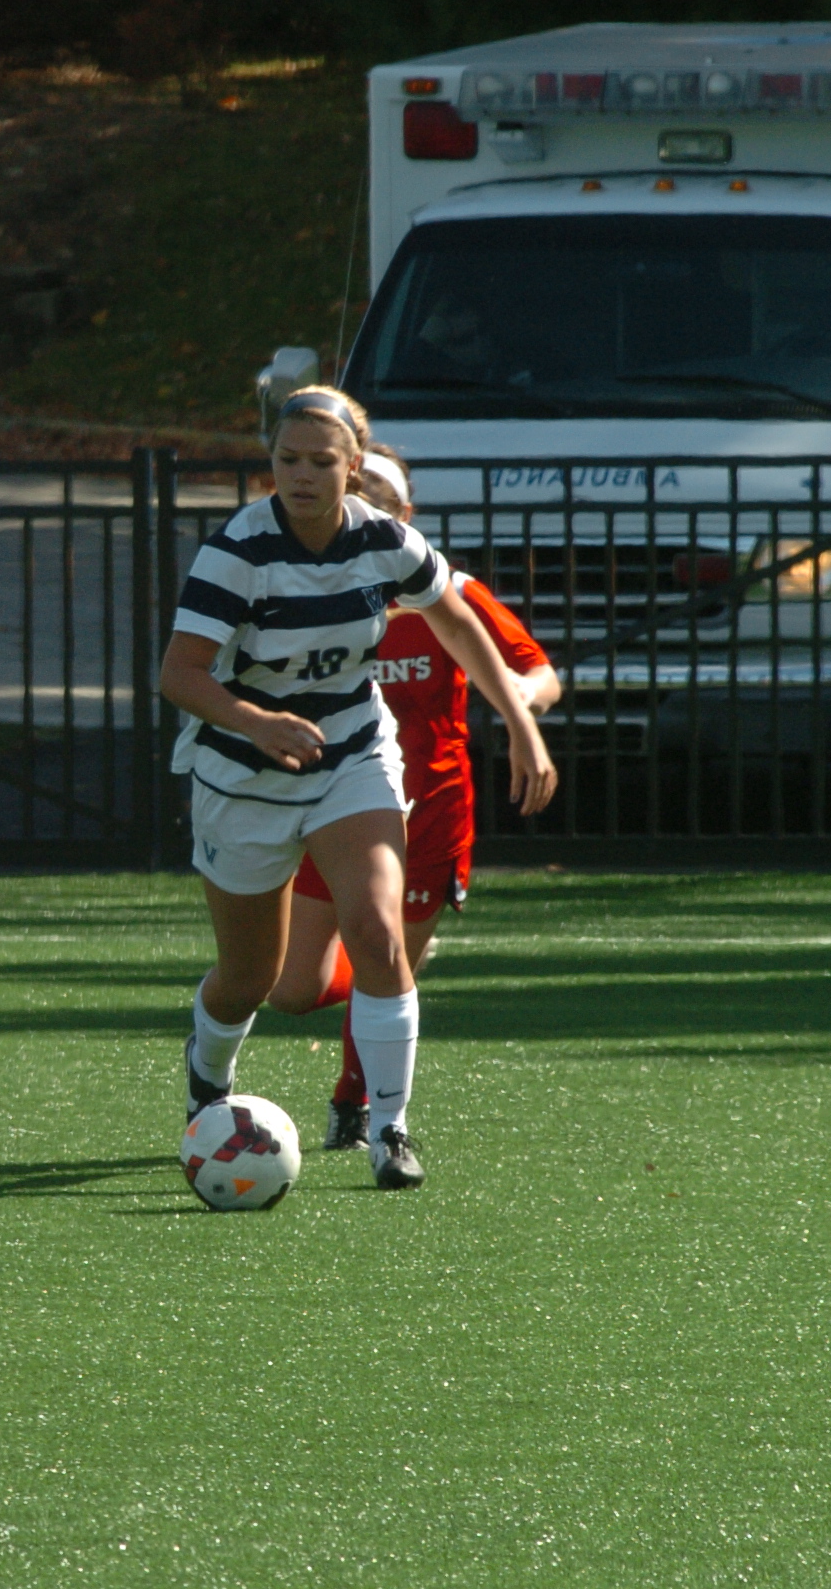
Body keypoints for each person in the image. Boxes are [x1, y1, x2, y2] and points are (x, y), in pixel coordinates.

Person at [159, 387, 558, 1191]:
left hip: (353, 754)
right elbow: (180, 675)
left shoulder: (386, 539)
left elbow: (456, 618)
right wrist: (257, 721)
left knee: (378, 934)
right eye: (288, 459)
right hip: (243, 774)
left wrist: (521, 723)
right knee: (254, 979)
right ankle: (209, 1074)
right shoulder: (238, 551)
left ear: (352, 467)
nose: (302, 476)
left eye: (321, 461)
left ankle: (389, 1131)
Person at [262, 444, 562, 1151]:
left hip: (432, 813)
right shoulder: (306, 588)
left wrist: (517, 704)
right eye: (357, 490)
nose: (367, 505)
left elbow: (539, 673)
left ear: (406, 512)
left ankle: (357, 1103)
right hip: (336, 804)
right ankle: (385, 969)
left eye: (382, 496)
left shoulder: (446, 590)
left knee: (382, 952)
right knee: (290, 989)